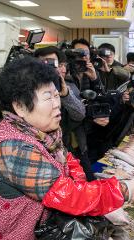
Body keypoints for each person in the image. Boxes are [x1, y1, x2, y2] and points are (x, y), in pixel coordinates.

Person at [0, 57, 134, 240]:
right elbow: (71, 196)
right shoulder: (13, 149)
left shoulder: (43, 133)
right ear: (20, 106)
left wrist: (87, 186)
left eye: (57, 95)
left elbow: (68, 161)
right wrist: (126, 190)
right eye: (48, 97)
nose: (57, 103)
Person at [34, 46, 95, 180]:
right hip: (44, 153)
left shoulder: (68, 85)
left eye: (58, 64)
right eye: (46, 63)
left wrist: (65, 94)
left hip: (72, 148)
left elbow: (80, 114)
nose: (54, 68)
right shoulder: (29, 90)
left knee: (87, 183)